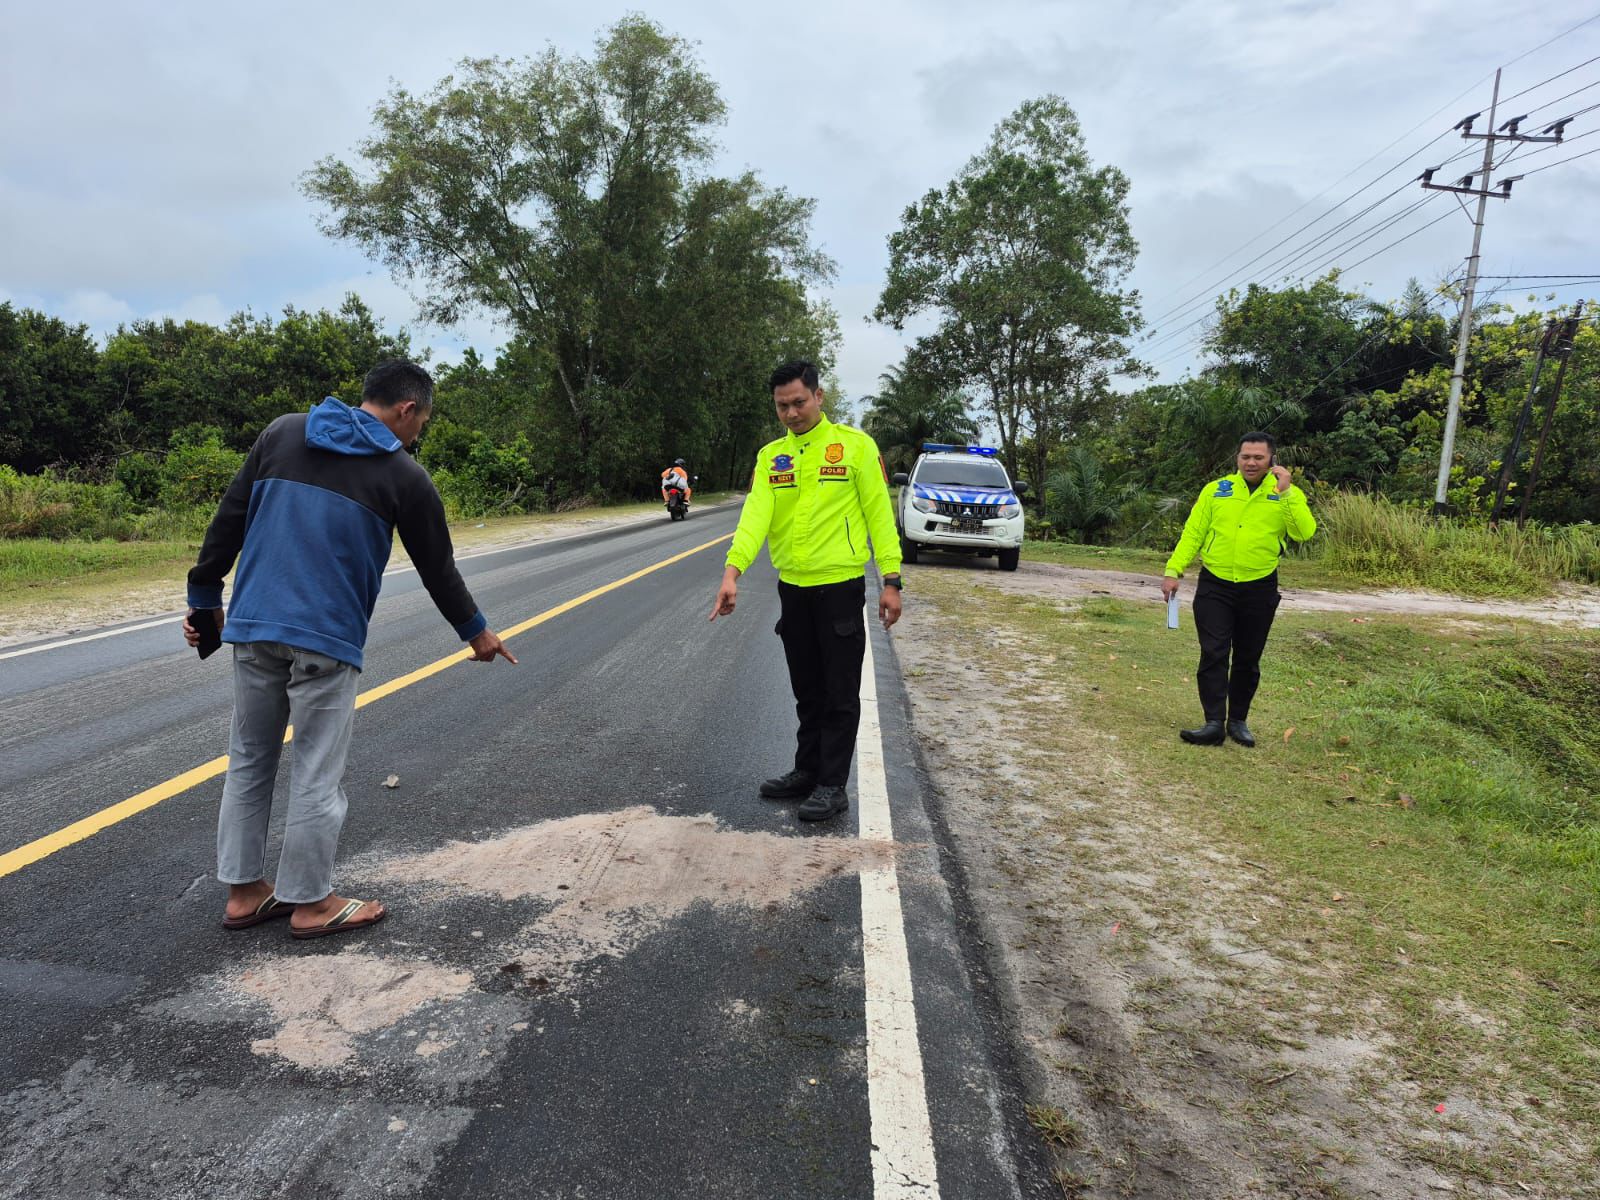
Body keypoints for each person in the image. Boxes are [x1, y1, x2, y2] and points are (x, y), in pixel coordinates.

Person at [183, 360, 517, 939]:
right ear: (407, 409)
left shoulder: (282, 432)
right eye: (422, 423)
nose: (417, 436)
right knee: (316, 769)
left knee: (250, 760)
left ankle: (244, 894)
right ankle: (312, 903)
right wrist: (478, 633)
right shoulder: (404, 477)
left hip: (253, 627)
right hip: (325, 639)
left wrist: (204, 599)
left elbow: (228, 520)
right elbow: (438, 568)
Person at [708, 360, 903, 822]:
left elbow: (880, 516)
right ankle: (807, 771)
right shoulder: (771, 457)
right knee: (807, 690)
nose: (791, 413)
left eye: (798, 402)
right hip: (792, 590)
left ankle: (833, 785)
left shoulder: (854, 448)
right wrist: (732, 572)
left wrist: (891, 581)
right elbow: (755, 517)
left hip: (839, 587)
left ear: (819, 396)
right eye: (782, 406)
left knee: (839, 693)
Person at [1161, 432, 1316, 748]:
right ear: (1238, 458)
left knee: (1248, 658)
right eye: (1246, 456)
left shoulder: (1286, 493)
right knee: (1214, 652)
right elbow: (1193, 533)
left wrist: (1286, 493)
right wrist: (1173, 570)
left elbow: (1304, 533)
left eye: (1258, 457)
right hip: (1215, 584)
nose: (1251, 462)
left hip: (1259, 586)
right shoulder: (1217, 491)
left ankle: (1239, 721)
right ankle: (1213, 723)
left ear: (1272, 460)